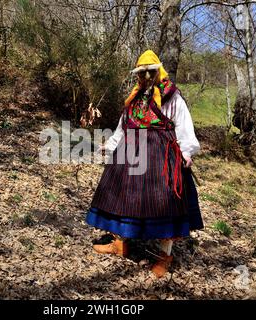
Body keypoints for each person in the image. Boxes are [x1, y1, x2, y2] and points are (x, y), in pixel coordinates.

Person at [85, 50, 203, 278]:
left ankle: (163, 256)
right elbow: (124, 126)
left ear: (158, 71)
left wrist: (187, 152)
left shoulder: (172, 97)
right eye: (142, 73)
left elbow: (184, 126)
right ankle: (120, 243)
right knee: (122, 197)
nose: (146, 76)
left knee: (165, 202)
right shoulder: (135, 98)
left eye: (150, 72)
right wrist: (110, 146)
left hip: (162, 156)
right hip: (129, 154)